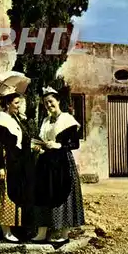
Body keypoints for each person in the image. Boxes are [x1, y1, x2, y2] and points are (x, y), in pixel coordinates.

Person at [0, 86, 34, 242]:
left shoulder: (14, 119)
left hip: (15, 161)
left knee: (14, 194)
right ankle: (5, 231)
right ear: (8, 104)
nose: (18, 106)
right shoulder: (1, 120)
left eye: (19, 103)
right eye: (16, 103)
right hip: (3, 161)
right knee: (4, 195)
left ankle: (15, 228)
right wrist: (1, 167)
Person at [32, 86, 85, 244]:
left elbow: (75, 144)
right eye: (45, 103)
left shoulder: (67, 119)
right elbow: (42, 139)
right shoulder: (46, 121)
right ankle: (41, 233)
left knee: (63, 195)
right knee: (42, 194)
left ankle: (64, 234)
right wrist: (38, 146)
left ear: (58, 101)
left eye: (51, 101)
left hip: (62, 162)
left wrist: (59, 146)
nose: (48, 105)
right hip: (45, 162)